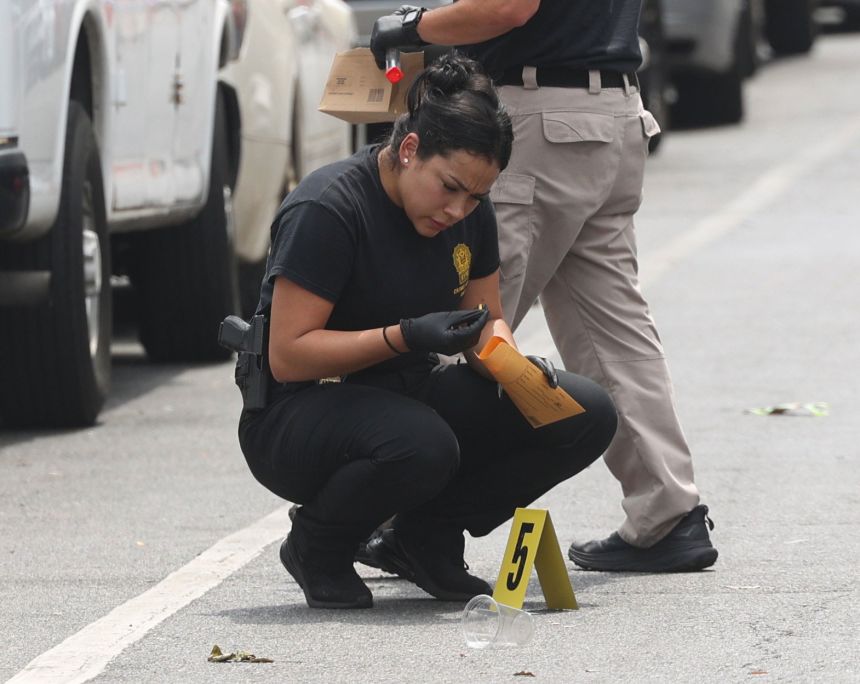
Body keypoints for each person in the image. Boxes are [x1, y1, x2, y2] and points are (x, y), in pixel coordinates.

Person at [237, 53, 618, 609]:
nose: (458, 209)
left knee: (584, 413)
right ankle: (319, 544)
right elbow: (289, 356)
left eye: (476, 197)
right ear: (409, 150)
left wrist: (513, 367)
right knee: (423, 445)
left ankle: (423, 538)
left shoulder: (468, 211)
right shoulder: (329, 207)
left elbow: (487, 322)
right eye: (450, 187)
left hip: (404, 393)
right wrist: (405, 336)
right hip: (299, 413)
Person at [370, 1, 718, 573]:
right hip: (612, 110)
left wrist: (413, 27)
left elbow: (508, 7)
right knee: (612, 330)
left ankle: (398, 509)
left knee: (458, 321)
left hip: (540, 119)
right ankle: (668, 513)